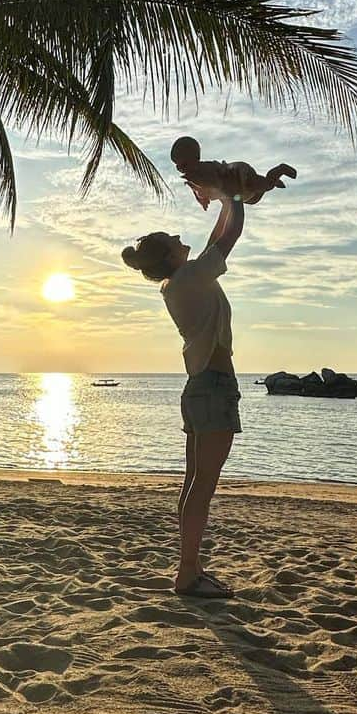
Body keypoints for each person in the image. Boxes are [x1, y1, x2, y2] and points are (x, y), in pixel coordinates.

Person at [121, 194, 244, 599]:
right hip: (212, 386)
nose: (179, 234)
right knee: (202, 485)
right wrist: (234, 196)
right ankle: (188, 573)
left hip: (200, 387)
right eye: (172, 237)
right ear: (172, 255)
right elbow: (227, 241)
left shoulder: (182, 280)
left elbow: (214, 243)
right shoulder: (189, 279)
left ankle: (190, 569)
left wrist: (228, 201)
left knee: (194, 483)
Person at [170, 134, 296, 211]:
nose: (181, 169)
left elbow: (216, 184)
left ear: (196, 158)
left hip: (239, 177)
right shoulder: (194, 178)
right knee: (256, 196)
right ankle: (272, 181)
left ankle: (280, 170)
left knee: (264, 185)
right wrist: (201, 199)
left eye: (184, 164)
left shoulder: (204, 170)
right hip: (243, 193)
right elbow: (198, 191)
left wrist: (205, 192)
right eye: (177, 166)